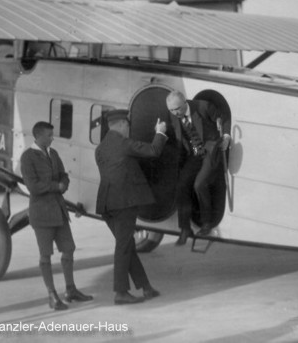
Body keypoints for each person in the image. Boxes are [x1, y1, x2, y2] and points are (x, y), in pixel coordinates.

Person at [95, 109, 167, 305]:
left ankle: (146, 287)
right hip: (124, 203)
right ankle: (121, 292)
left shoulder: (100, 148)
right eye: (127, 125)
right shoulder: (124, 144)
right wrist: (160, 132)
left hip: (106, 205)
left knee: (126, 245)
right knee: (123, 246)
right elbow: (154, 151)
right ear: (120, 125)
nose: (128, 128)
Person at [20, 121, 93, 311]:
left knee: (69, 249)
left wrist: (64, 183)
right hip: (42, 213)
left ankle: (71, 290)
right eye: (49, 135)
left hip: (58, 211)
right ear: (38, 136)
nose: (52, 138)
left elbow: (63, 175)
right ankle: (52, 295)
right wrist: (56, 187)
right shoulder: (27, 157)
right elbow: (32, 186)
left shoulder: (53, 154)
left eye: (52, 135)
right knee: (45, 255)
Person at [166, 91, 231, 245]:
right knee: (182, 184)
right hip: (195, 153)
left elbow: (224, 119)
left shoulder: (203, 107)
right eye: (172, 111)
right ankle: (185, 228)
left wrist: (227, 136)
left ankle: (207, 222)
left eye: (178, 109)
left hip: (211, 150)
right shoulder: (174, 115)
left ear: (184, 103)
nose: (176, 113)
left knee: (199, 184)